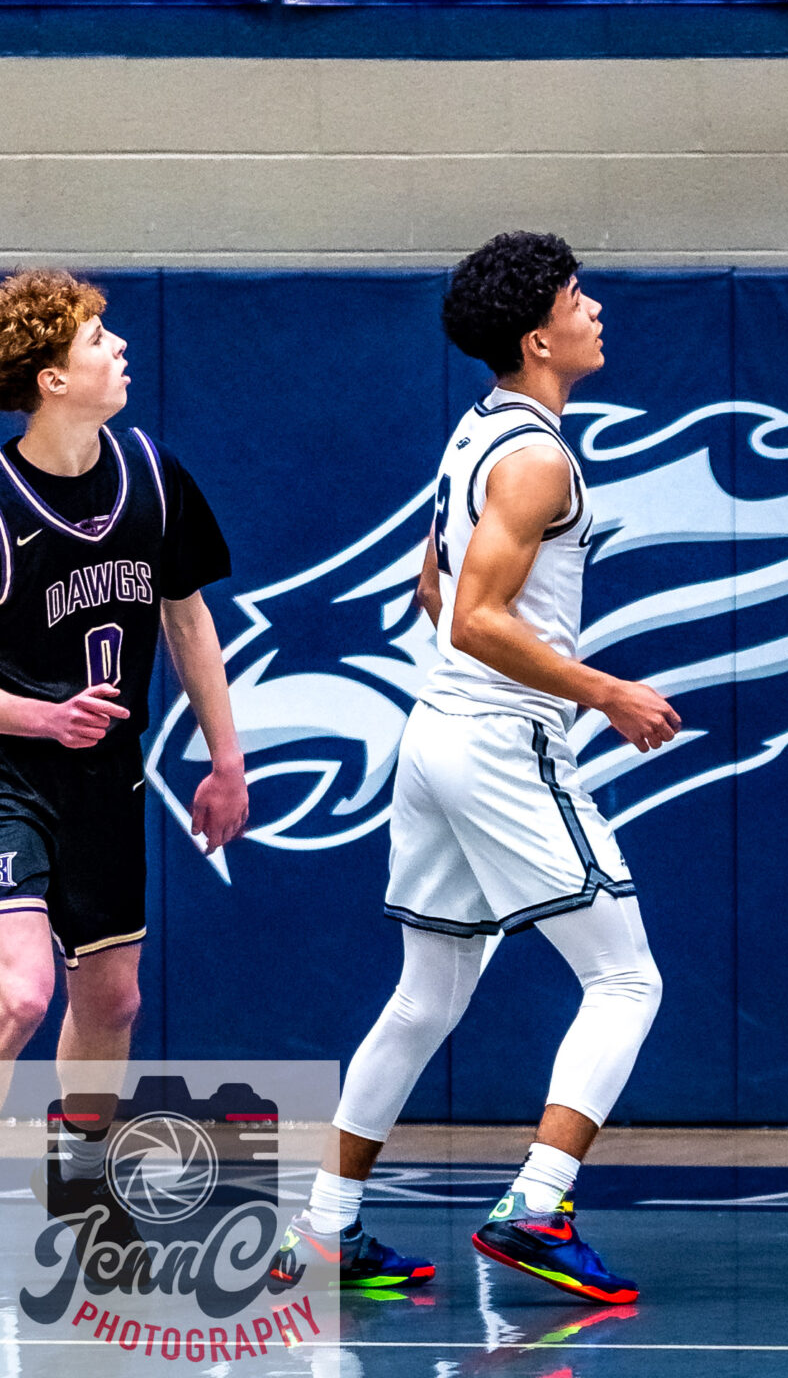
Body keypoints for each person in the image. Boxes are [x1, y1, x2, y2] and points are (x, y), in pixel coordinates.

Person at [274, 233, 678, 1303]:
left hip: (436, 738)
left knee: (426, 996)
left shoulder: (478, 430)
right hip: (501, 742)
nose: (595, 310)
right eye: (578, 297)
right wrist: (605, 689)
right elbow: (470, 615)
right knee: (627, 978)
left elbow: (429, 583)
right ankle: (538, 1204)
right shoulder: (538, 457)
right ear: (539, 337)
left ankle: (325, 1227)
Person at [0, 272, 247, 1227]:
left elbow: (187, 618)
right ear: (53, 379)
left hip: (106, 776)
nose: (121, 348)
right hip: (11, 773)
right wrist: (41, 718)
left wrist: (225, 759)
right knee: (20, 995)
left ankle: (82, 1186)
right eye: (99, 339)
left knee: (112, 1002)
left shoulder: (152, 471)